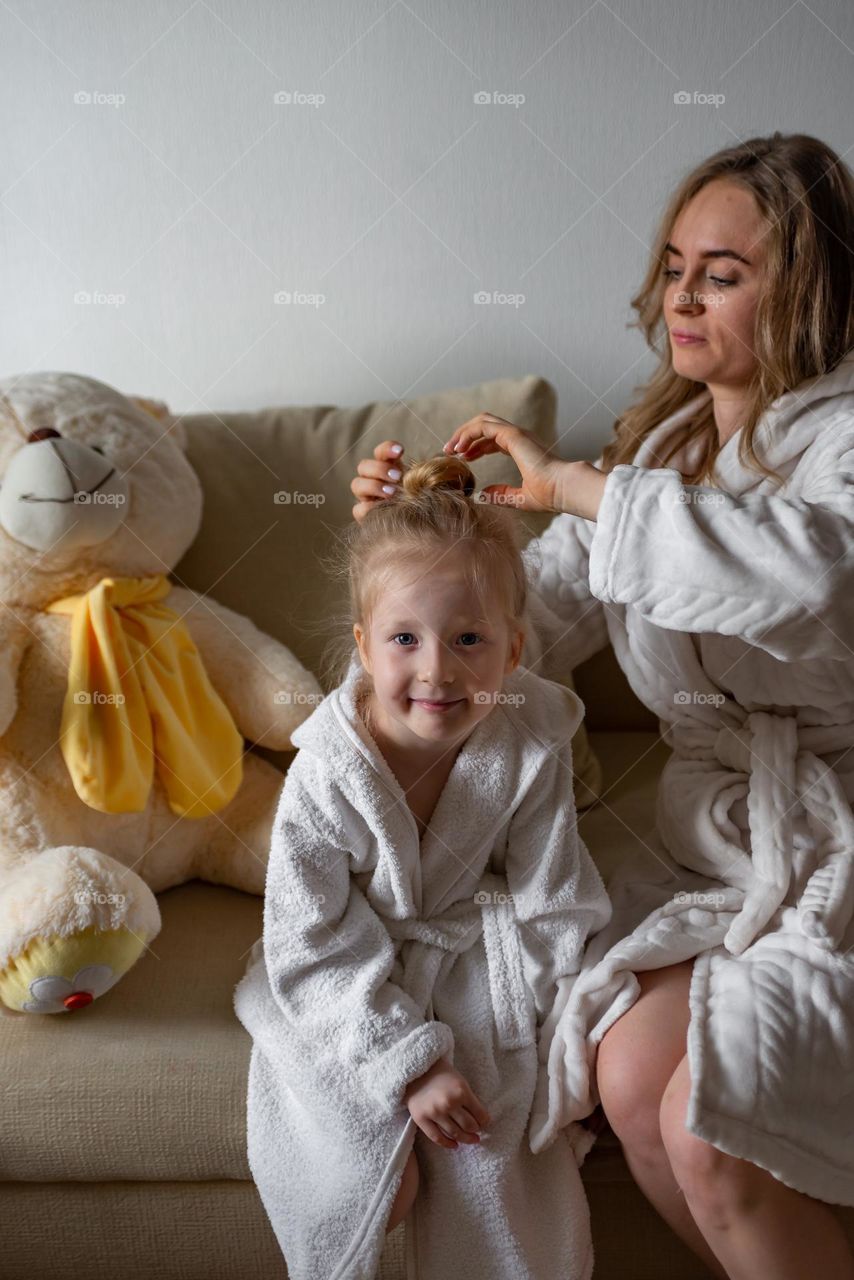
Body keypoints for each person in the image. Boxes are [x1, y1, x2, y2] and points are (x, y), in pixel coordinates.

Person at [351, 131, 854, 1279]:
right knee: (630, 1081)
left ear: (806, 288)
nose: (679, 294)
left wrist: (577, 483)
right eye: (673, 264)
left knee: (701, 1126)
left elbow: (810, 574)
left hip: (831, 828)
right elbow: (527, 622)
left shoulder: (833, 436)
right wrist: (415, 545)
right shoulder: (669, 446)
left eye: (720, 273)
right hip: (716, 841)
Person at [234, 453, 613, 1280]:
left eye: (469, 639)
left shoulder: (527, 741)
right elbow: (308, 940)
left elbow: (557, 900)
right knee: (375, 1187)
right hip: (344, 973)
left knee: (489, 1151)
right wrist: (410, 1061)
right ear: (366, 646)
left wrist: (557, 1029)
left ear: (513, 652)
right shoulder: (329, 770)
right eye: (406, 639)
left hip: (477, 956)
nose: (437, 669)